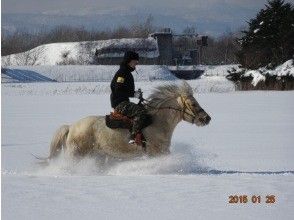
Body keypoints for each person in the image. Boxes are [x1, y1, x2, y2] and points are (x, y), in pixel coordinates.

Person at [110, 51, 148, 144]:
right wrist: (134, 94)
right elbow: (118, 89)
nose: (136, 64)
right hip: (120, 103)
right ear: (129, 61)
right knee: (141, 111)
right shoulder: (122, 73)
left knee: (146, 108)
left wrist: (135, 93)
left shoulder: (126, 72)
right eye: (135, 61)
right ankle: (134, 136)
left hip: (123, 101)